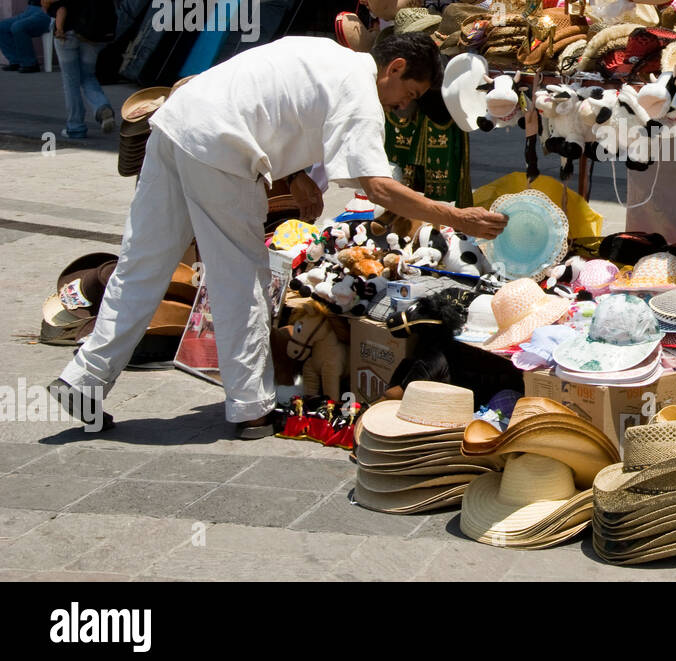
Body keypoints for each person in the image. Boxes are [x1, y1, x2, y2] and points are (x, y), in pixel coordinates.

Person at [50, 33, 507, 437]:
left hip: (176, 123)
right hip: (219, 148)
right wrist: (455, 217)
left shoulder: (326, 54)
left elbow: (274, 105)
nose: (402, 105)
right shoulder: (362, 92)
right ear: (395, 68)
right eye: (408, 93)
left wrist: (295, 174)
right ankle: (251, 409)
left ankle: (83, 380)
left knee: (141, 264)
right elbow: (379, 187)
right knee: (241, 279)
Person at [46, 0, 117, 137]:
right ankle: (102, 107)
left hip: (66, 33)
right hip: (92, 35)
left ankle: (75, 126)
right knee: (87, 75)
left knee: (71, 80)